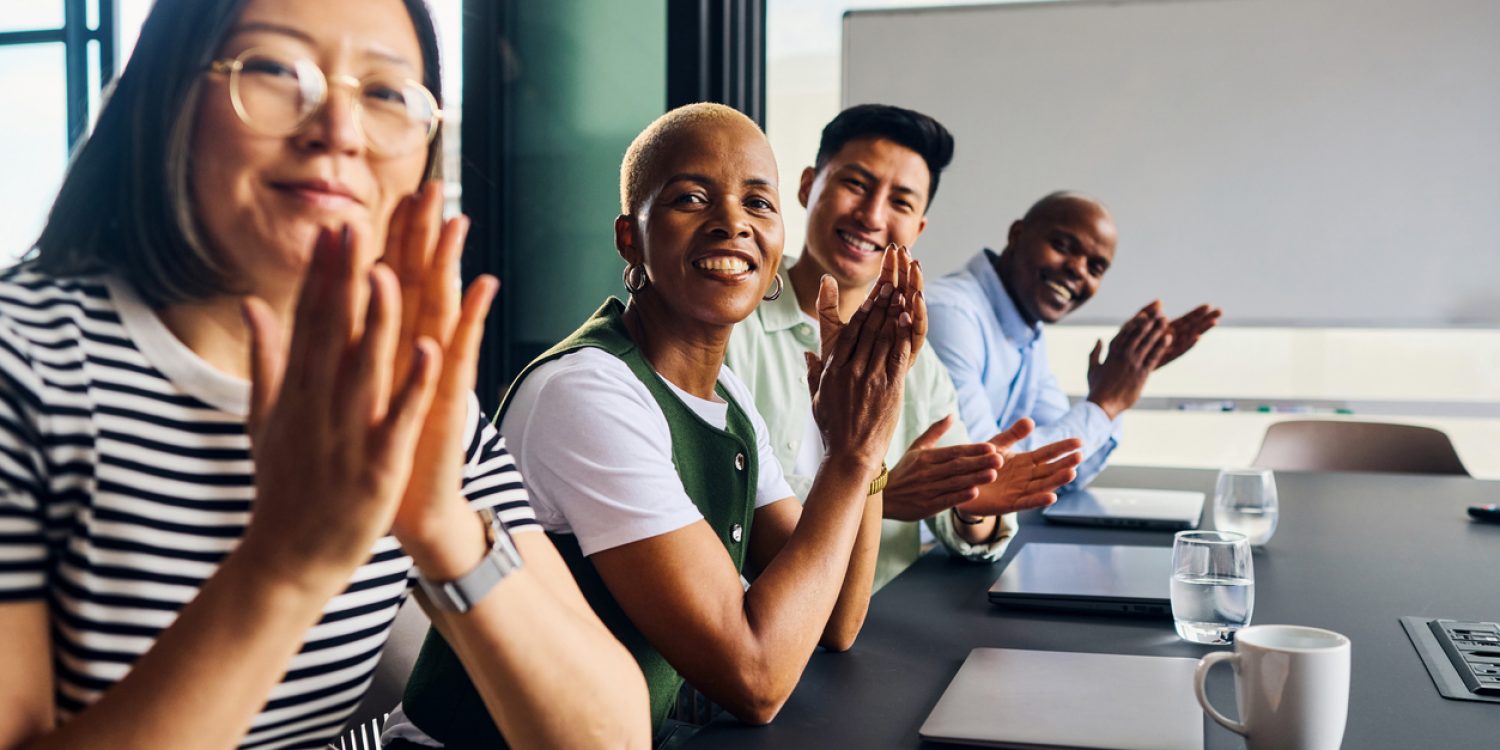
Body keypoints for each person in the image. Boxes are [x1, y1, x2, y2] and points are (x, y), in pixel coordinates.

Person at [0, 0, 649, 748]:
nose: (338, 133)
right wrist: (288, 561)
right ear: (167, 94)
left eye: (384, 94)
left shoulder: (401, 382)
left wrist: (439, 517)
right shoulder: (28, 365)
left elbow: (608, 736)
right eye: (275, 70)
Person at [396, 103, 922, 743]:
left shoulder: (724, 391)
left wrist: (861, 440)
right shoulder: (588, 392)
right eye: (691, 199)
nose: (732, 222)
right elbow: (754, 676)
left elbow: (836, 619)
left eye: (759, 204)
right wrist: (850, 457)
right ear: (630, 239)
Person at [725, 105, 1081, 589]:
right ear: (808, 185)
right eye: (856, 185)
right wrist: (876, 495)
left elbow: (961, 515)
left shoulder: (914, 354)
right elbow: (722, 510)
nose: (872, 216)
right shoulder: (729, 321)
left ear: (917, 229)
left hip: (880, 628)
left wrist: (970, 503)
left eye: (901, 202)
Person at [926, 191, 1222, 489]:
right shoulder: (950, 316)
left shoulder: (1027, 329)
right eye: (1062, 245)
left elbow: (1065, 473)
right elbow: (983, 474)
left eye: (1095, 268)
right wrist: (1105, 403)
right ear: (1016, 235)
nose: (1078, 270)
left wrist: (1121, 386)